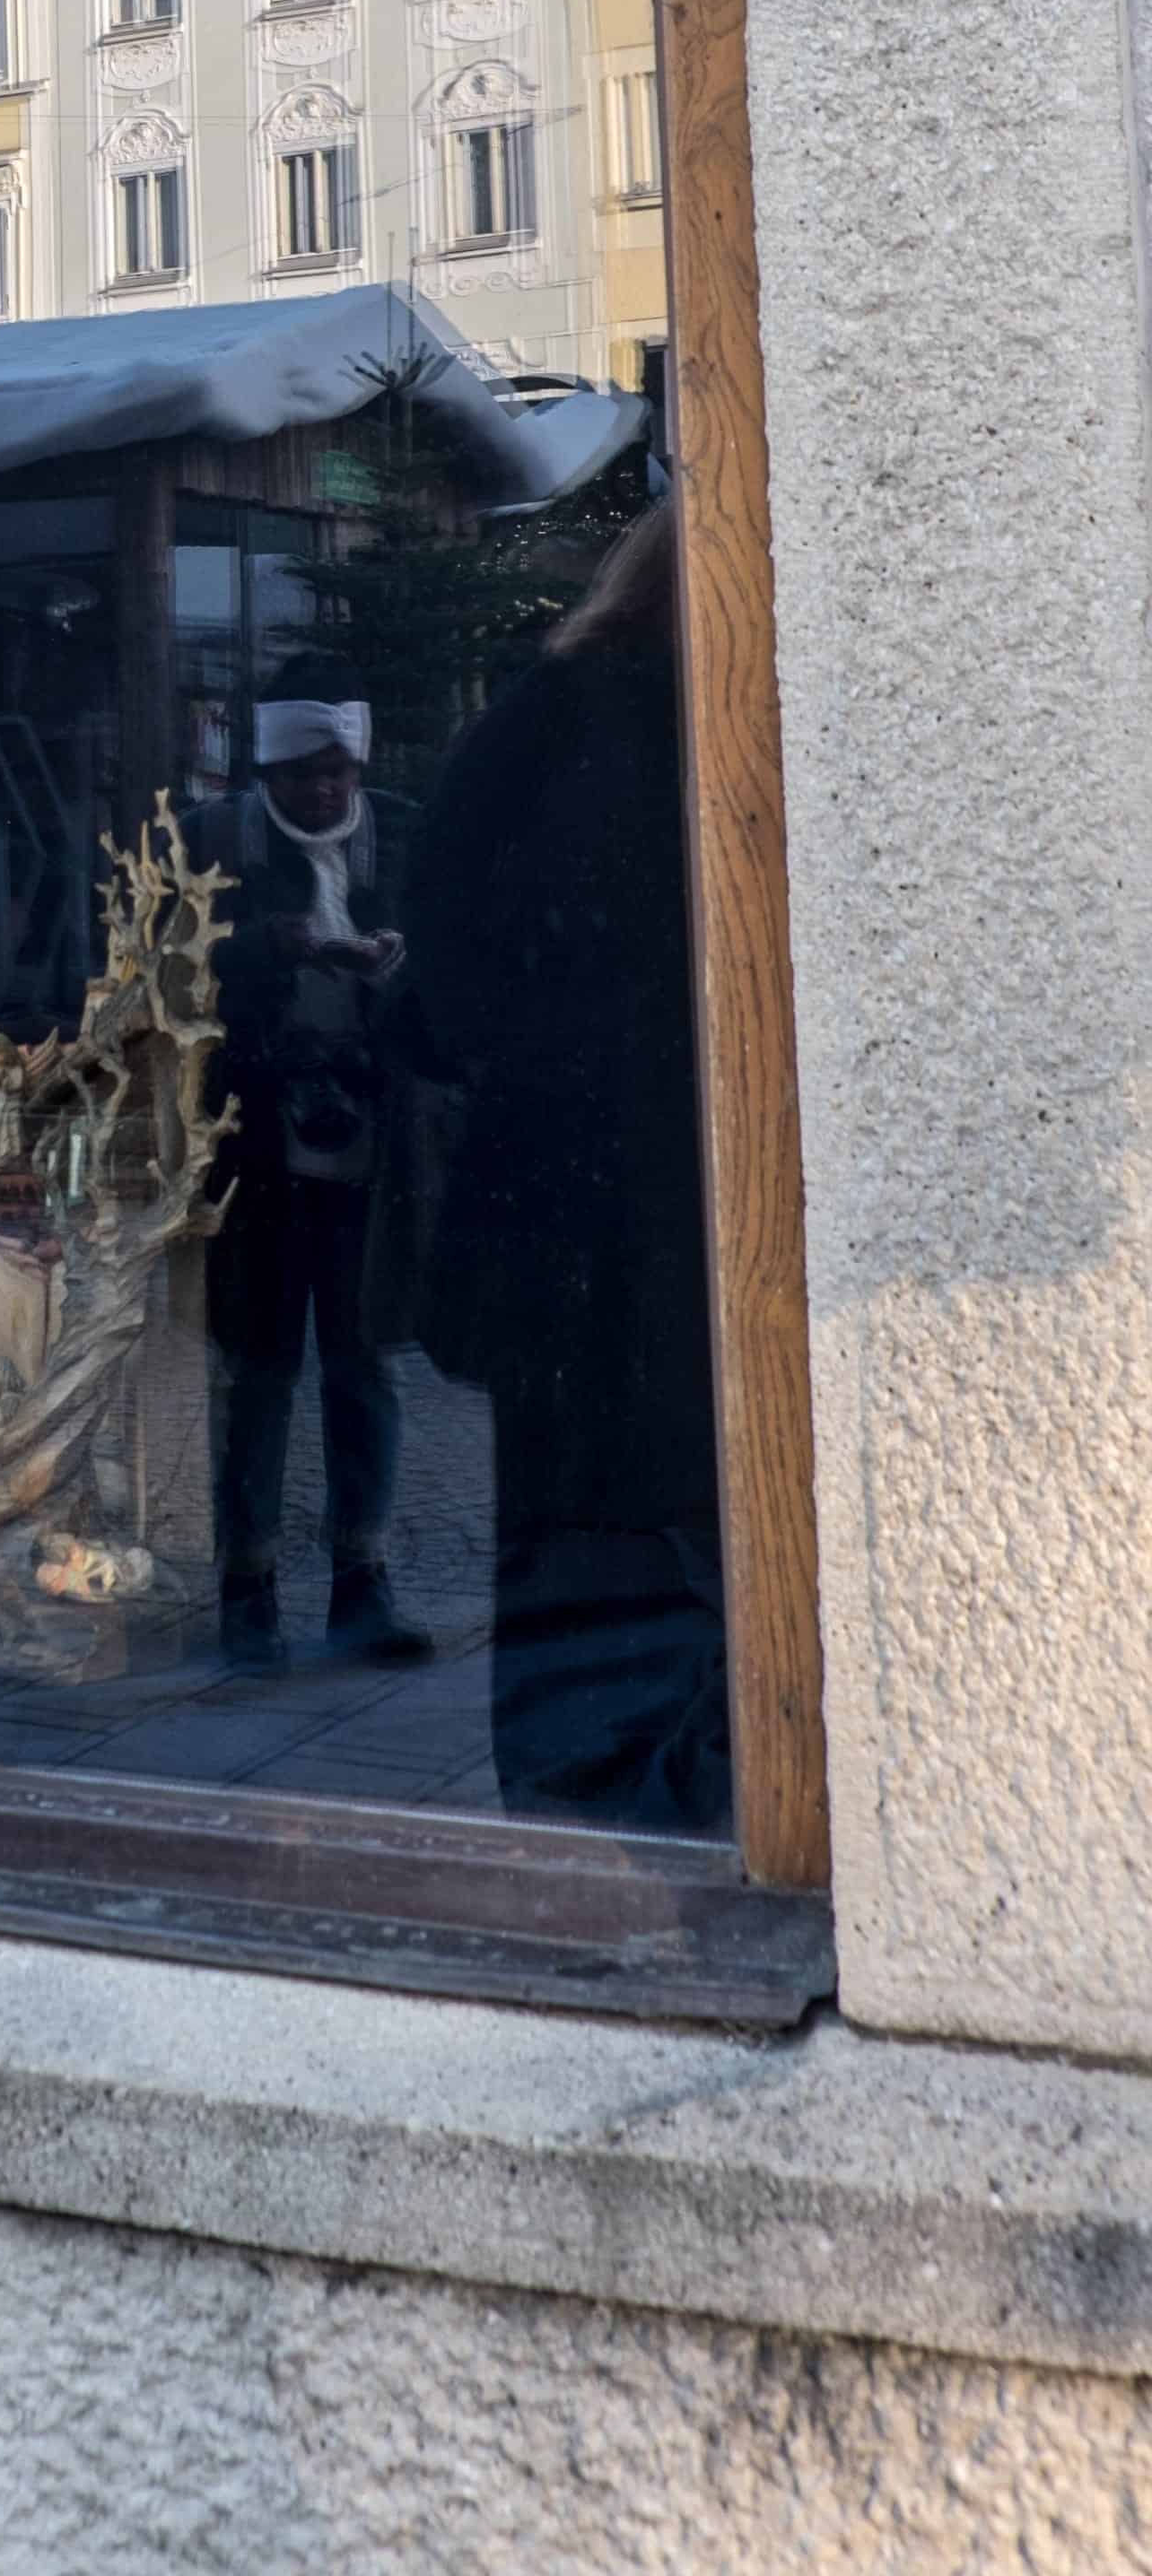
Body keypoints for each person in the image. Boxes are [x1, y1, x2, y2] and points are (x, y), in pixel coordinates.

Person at [401, 500, 728, 1828]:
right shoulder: (650, 730)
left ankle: (574, 1793)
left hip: (556, 1214)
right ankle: (627, 1797)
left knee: (564, 1515)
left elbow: (444, 950)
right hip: (636, 1211)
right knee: (657, 1516)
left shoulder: (535, 722)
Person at [193, 661, 433, 1678]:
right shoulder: (212, 842)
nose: (325, 792)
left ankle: (361, 1584)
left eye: (338, 773)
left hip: (369, 1144)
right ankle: (245, 1593)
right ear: (267, 770)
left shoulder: (401, 833)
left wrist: (396, 961)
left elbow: (453, 960)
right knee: (257, 1372)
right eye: (303, 775)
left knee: (364, 1368)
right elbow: (152, 961)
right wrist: (266, 949)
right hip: (252, 1140)